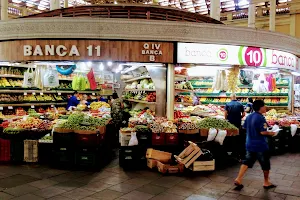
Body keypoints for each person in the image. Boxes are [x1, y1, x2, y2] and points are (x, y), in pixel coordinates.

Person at [234, 100, 277, 191]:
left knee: (247, 161)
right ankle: (266, 182)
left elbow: (245, 127)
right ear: (260, 107)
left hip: (249, 143)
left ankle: (239, 179)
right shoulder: (260, 118)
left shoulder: (249, 116)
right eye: (264, 106)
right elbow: (262, 132)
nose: (265, 108)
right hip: (260, 145)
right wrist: (272, 133)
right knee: (265, 164)